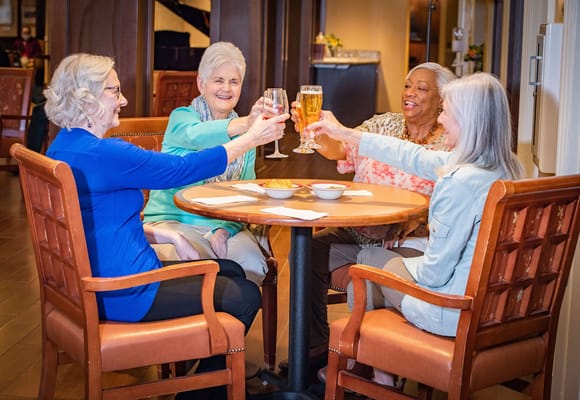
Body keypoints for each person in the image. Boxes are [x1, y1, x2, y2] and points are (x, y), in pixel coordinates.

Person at [43, 53, 289, 399]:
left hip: (89, 285)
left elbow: (89, 219)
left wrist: (161, 231)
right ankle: (199, 392)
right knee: (246, 295)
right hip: (126, 292)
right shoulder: (106, 154)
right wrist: (250, 139)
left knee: (231, 269)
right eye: (114, 90)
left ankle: (202, 380)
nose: (124, 99)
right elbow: (180, 170)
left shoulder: (63, 146)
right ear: (87, 98)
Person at [309, 72, 524, 386]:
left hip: (450, 310)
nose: (442, 119)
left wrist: (403, 260)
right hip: (493, 304)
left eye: (447, 111)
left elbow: (434, 276)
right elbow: (412, 155)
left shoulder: (459, 182)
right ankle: (376, 368)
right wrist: (343, 132)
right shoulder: (503, 168)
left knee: (368, 263)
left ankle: (365, 365)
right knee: (385, 260)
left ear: (468, 121)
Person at [284, 62, 456, 373]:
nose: (410, 93)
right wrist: (311, 131)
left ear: (442, 100)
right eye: (407, 85)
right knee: (304, 253)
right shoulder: (383, 125)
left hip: (411, 244)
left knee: (364, 278)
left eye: (422, 88)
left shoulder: (449, 143)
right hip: (358, 232)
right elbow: (339, 149)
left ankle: (369, 362)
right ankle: (314, 348)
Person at [143, 42, 271, 286]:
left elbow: (246, 195)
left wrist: (222, 231)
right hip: (174, 220)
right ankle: (207, 323)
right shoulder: (182, 118)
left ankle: (227, 324)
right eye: (218, 80)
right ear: (202, 84)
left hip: (225, 226)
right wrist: (248, 127)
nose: (226, 88)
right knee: (201, 268)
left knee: (253, 265)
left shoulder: (248, 138)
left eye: (234, 81)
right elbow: (198, 135)